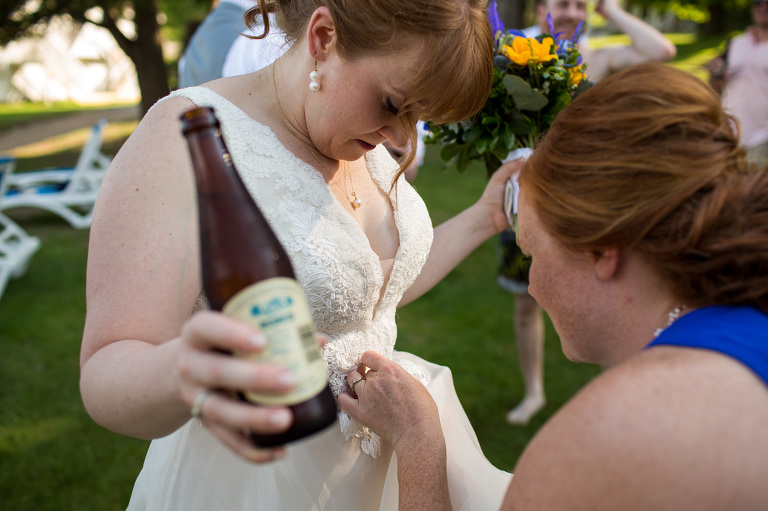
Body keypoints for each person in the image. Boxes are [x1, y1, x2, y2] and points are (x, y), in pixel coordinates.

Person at [79, 0, 516, 508]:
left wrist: (486, 217)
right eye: (393, 104)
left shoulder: (356, 132)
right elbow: (106, 371)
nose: (401, 138)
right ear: (323, 37)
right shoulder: (183, 139)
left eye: (418, 115)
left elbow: (368, 294)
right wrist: (190, 369)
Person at [340, 63, 768, 510]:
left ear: (602, 251)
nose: (533, 288)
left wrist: (417, 440)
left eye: (532, 255)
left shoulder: (606, 438)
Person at [501, 0, 677, 425]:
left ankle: (614, 397)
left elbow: (662, 51)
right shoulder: (511, 60)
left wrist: (609, 10)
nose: (569, 13)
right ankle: (534, 393)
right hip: (525, 203)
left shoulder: (600, 56)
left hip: (588, 204)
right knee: (526, 302)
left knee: (607, 301)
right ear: (540, 8)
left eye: (580, 5)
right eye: (561, 3)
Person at [706, 0, 768, 168]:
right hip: (728, 132)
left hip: (762, 135)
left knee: (752, 183)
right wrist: (715, 74)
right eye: (758, 2)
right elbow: (716, 85)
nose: (763, 7)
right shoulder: (736, 43)